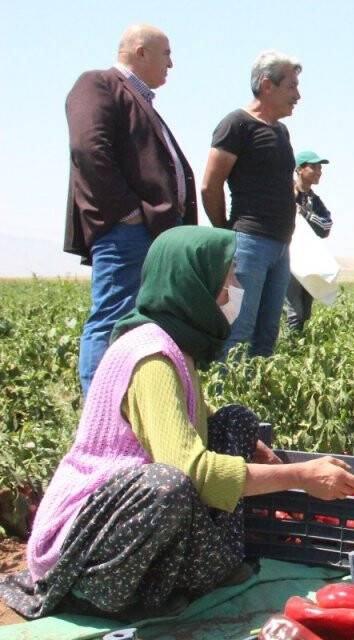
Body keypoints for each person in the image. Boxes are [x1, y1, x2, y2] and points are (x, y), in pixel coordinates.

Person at [0, 227, 354, 619]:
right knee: (168, 484)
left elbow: (194, 419)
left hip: (127, 514)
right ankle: (90, 594)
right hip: (83, 542)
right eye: (230, 279)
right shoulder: (151, 357)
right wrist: (300, 475)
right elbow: (189, 470)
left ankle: (196, 570)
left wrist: (260, 453)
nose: (237, 288)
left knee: (236, 422)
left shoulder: (177, 345)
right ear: (194, 284)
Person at [66, 24, 197, 395]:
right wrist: (127, 214)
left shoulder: (142, 101)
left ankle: (126, 406)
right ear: (141, 52)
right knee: (113, 318)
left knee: (138, 324)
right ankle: (99, 412)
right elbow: (89, 150)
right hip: (126, 230)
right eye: (166, 53)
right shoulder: (98, 83)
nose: (172, 63)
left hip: (149, 232)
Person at [201, 50, 302, 359]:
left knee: (267, 335)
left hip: (280, 247)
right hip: (247, 245)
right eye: (291, 86)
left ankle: (253, 404)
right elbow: (209, 185)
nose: (297, 95)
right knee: (236, 331)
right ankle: (226, 403)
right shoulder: (236, 125)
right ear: (267, 86)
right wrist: (226, 237)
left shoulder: (280, 131)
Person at [284, 150, 333, 332]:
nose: (319, 171)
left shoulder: (314, 200)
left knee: (305, 313)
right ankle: (290, 352)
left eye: (320, 168)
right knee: (294, 312)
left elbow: (326, 227)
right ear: (299, 169)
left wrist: (305, 214)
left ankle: (297, 352)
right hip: (287, 259)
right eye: (314, 167)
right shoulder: (285, 194)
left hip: (307, 261)